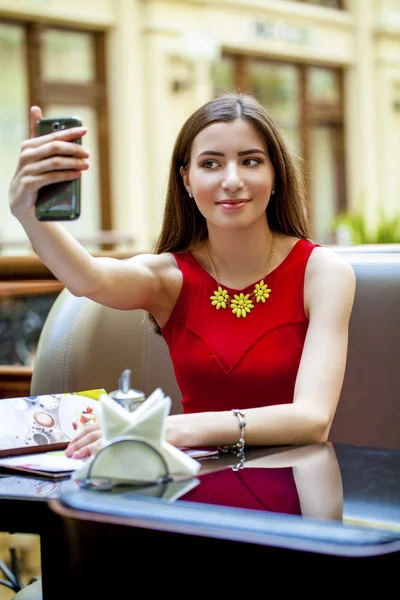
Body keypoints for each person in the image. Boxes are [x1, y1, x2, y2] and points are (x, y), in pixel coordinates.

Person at [9, 93, 356, 460]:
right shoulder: (170, 277)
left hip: (297, 488)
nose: (232, 180)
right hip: (192, 488)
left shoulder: (323, 273)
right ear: (186, 180)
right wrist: (27, 213)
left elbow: (312, 419)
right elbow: (87, 278)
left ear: (275, 175)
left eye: (250, 161)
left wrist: (164, 427)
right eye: (211, 164)